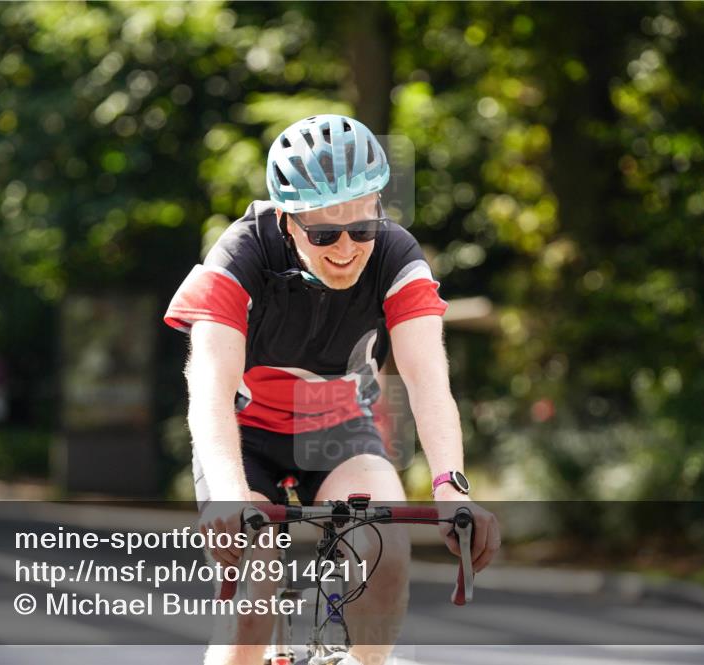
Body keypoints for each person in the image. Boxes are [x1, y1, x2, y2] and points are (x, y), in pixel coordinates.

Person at [165, 114, 501, 665]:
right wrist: (227, 494)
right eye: (324, 233)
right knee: (256, 590)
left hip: (339, 430)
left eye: (361, 228)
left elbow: (428, 382)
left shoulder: (397, 256)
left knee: (387, 552)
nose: (346, 249)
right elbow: (209, 391)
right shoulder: (240, 256)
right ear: (287, 220)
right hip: (244, 439)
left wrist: (451, 489)